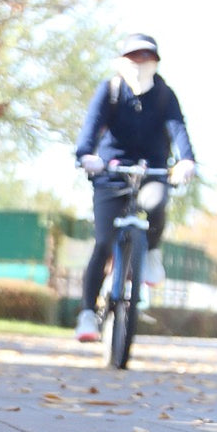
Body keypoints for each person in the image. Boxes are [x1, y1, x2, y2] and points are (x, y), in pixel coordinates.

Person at [73, 33, 197, 342]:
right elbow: (91, 125)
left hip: (152, 170)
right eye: (134, 57)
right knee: (103, 242)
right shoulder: (110, 90)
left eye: (146, 57)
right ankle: (88, 314)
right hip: (111, 172)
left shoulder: (165, 95)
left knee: (155, 204)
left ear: (155, 62)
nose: (140, 64)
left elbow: (177, 127)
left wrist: (187, 160)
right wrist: (85, 155)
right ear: (122, 61)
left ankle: (151, 252)